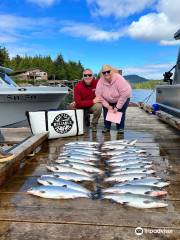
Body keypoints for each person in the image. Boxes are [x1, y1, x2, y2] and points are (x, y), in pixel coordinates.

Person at [95, 64, 132, 133]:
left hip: (123, 97)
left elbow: (125, 94)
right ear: (102, 74)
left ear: (111, 71)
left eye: (108, 71)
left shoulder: (118, 78)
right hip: (108, 99)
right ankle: (107, 127)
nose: (106, 73)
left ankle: (120, 128)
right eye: (104, 72)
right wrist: (108, 106)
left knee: (120, 111)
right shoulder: (100, 81)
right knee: (106, 110)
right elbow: (98, 95)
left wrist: (117, 107)